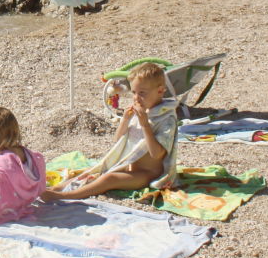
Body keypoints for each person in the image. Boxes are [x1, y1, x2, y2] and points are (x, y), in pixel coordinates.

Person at [40, 61, 179, 201]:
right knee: (95, 171)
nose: (136, 98)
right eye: (134, 92)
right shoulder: (143, 112)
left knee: (109, 178)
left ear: (160, 90)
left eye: (142, 93)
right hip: (130, 165)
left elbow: (156, 154)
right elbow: (118, 140)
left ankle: (65, 196)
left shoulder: (166, 119)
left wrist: (145, 125)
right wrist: (125, 120)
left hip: (149, 173)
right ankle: (56, 188)